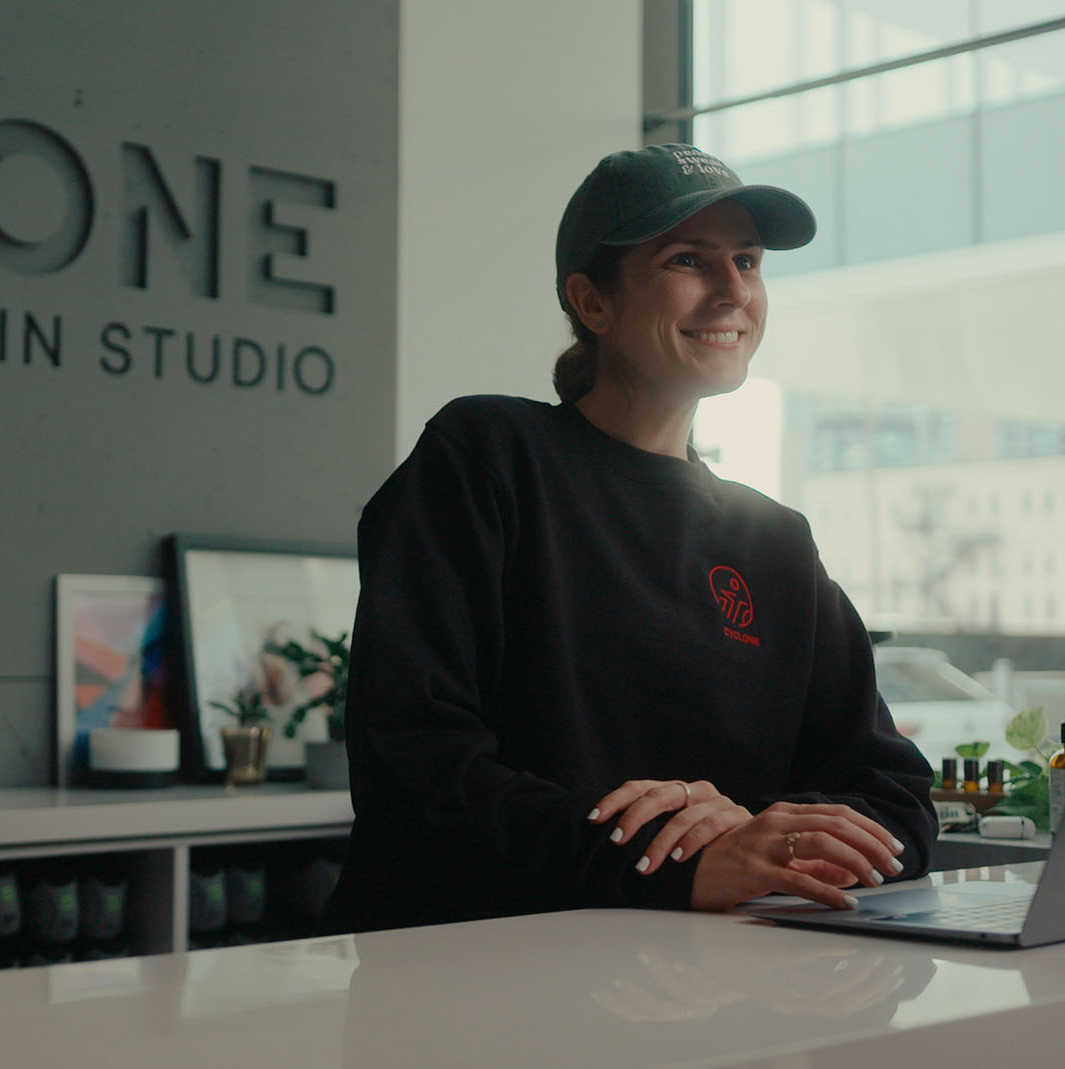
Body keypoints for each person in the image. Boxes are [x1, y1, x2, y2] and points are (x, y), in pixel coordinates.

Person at [324, 144, 937, 933]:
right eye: (689, 259)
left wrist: (761, 834)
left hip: (703, 988)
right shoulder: (487, 458)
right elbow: (414, 770)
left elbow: (895, 796)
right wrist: (673, 855)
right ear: (594, 302)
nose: (732, 291)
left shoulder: (774, 540)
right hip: (471, 971)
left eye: (746, 261)